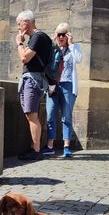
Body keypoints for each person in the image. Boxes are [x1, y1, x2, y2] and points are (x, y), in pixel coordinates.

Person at [42, 22, 83, 158]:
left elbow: (78, 59)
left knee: (66, 116)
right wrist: (53, 47)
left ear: (68, 35)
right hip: (53, 85)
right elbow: (45, 65)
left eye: (63, 34)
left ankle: (66, 146)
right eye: (58, 34)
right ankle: (49, 146)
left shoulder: (74, 48)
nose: (61, 37)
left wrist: (71, 45)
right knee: (50, 115)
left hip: (68, 85)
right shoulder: (52, 49)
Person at [15, 10, 52, 161]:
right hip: (35, 79)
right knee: (30, 114)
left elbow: (24, 58)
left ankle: (36, 150)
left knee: (32, 114)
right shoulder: (39, 37)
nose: (18, 27)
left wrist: (19, 42)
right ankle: (34, 147)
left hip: (33, 80)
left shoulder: (38, 36)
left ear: (27, 22)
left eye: (19, 24)